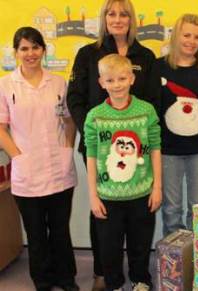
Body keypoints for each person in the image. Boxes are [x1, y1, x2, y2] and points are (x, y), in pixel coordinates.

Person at [66, 1, 155, 289]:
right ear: (104, 19)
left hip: (137, 152)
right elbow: (75, 98)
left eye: (124, 14)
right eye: (112, 14)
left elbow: (155, 102)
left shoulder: (146, 55)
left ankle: (139, 276)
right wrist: (95, 132)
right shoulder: (87, 54)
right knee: (102, 213)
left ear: (132, 19)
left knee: (137, 217)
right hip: (99, 147)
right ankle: (103, 273)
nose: (118, 19)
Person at [0, 27, 78, 291]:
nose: (30, 53)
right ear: (16, 52)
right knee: (35, 233)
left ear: (43, 50)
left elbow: (69, 120)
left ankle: (66, 278)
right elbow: (0, 127)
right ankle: (42, 281)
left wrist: (68, 148)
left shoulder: (58, 82)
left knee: (59, 230)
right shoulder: (5, 84)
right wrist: (17, 157)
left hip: (59, 168)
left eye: (35, 47)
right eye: (24, 48)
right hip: (27, 171)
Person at [84, 54, 162, 291]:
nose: (116, 84)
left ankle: (140, 279)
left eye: (121, 78)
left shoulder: (146, 111)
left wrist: (157, 186)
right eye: (110, 80)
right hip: (107, 197)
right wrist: (93, 195)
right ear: (101, 83)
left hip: (142, 193)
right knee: (110, 247)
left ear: (132, 78)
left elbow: (155, 148)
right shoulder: (94, 116)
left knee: (141, 243)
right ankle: (114, 283)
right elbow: (91, 156)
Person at [150, 14, 198, 236]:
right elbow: (151, 110)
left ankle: (196, 260)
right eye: (186, 35)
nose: (191, 41)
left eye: (197, 37)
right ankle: (174, 263)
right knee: (171, 209)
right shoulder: (158, 68)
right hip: (167, 151)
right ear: (176, 35)